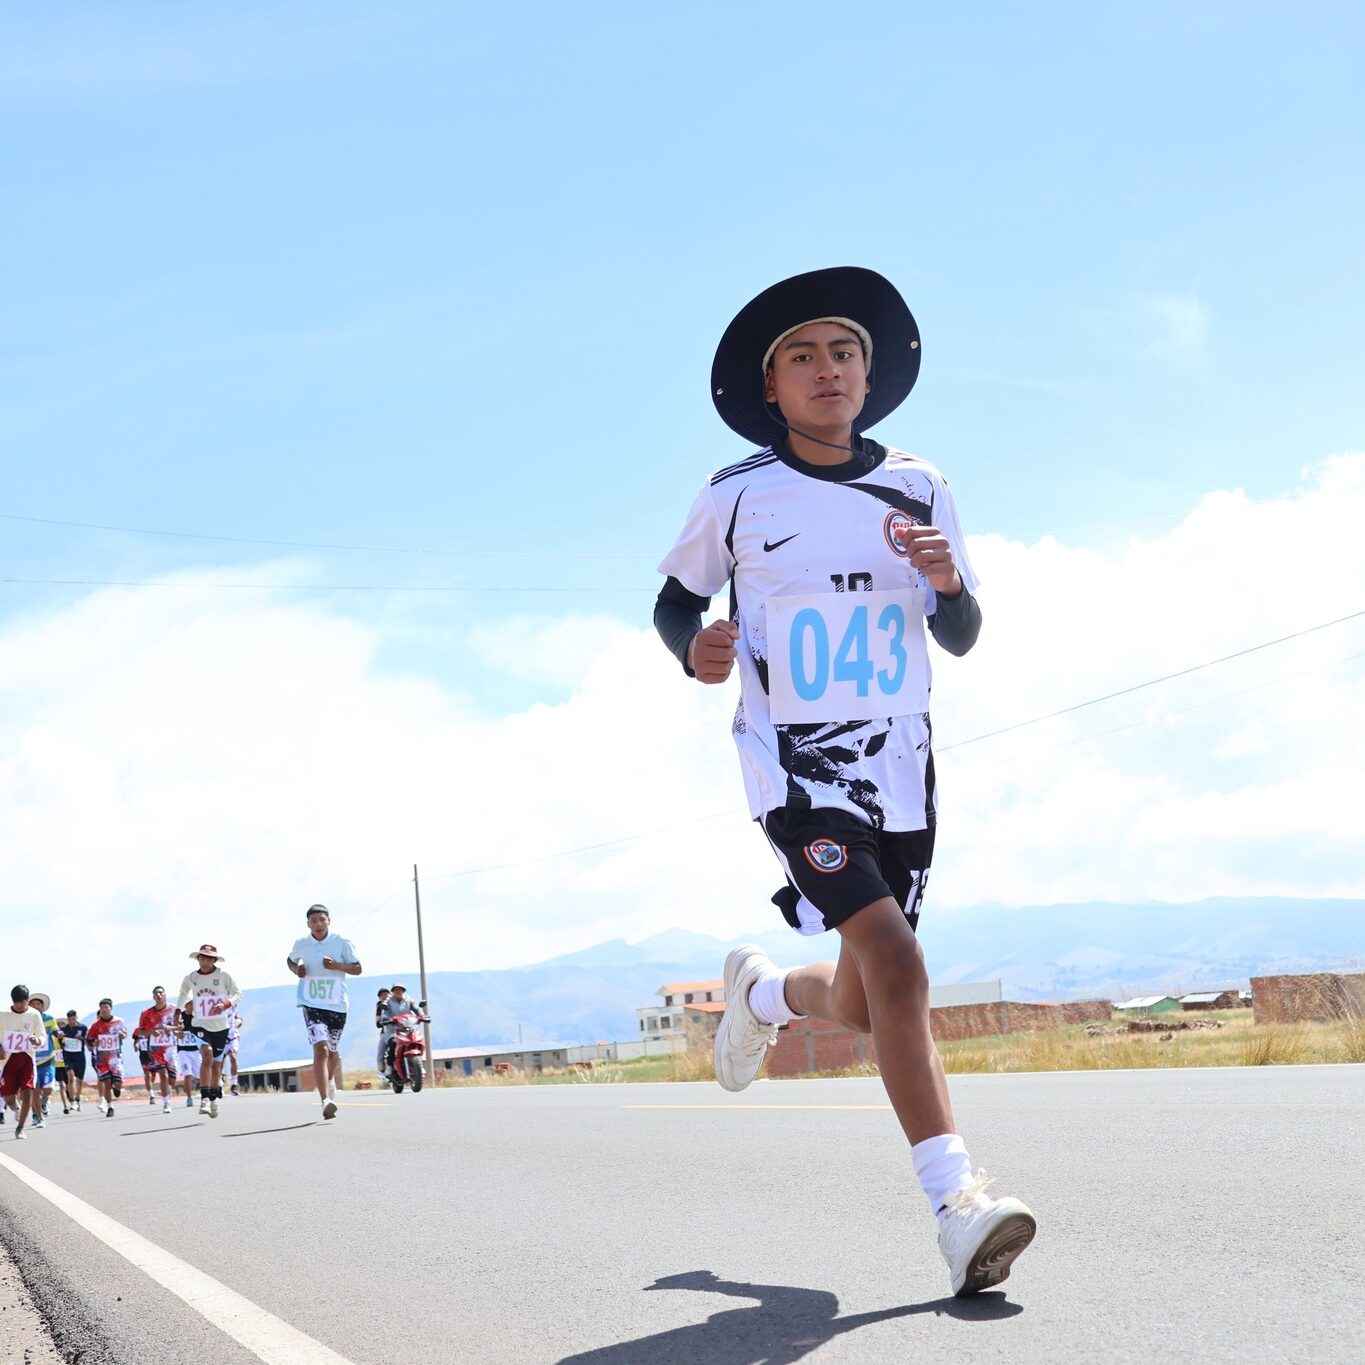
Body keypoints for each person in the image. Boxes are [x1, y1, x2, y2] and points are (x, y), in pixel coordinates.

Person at [654, 267, 1035, 1297]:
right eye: (803, 355)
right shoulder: (735, 493)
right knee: (900, 962)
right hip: (796, 770)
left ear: (870, 376)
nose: (827, 369)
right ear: (770, 385)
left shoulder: (920, 484)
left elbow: (961, 634)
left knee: (870, 1002)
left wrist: (945, 582)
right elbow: (675, 603)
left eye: (844, 353)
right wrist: (695, 647)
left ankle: (764, 994)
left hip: (901, 774)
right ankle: (957, 1205)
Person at [286, 904, 361, 1121]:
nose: (318, 924)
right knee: (321, 1049)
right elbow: (290, 960)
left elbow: (357, 968)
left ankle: (329, 1081)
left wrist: (337, 966)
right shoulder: (301, 944)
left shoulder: (342, 942)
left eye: (322, 919)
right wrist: (296, 970)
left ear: (329, 921)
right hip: (311, 1003)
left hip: (337, 1004)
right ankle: (325, 1100)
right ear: (308, 924)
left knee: (333, 1052)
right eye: (314, 921)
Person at [176, 945, 241, 1119]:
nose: (205, 961)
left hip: (220, 1026)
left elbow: (237, 994)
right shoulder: (191, 978)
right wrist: (178, 1011)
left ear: (214, 960)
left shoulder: (223, 976)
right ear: (198, 959)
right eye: (202, 958)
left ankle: (213, 1098)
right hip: (200, 1024)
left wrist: (225, 1004)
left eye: (208, 958)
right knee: (207, 1056)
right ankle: (204, 1098)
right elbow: (183, 994)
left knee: (216, 1065)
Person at [0, 986, 48, 1139]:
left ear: (27, 1000)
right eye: (16, 1002)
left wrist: (37, 1040)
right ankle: (15, 1107)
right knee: (8, 1097)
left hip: (27, 1059)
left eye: (22, 1002)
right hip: (8, 1061)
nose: (20, 1005)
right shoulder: (3, 1014)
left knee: (28, 1092)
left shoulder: (34, 1015)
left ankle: (20, 1128)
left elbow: (42, 1036)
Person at [135, 987, 179, 1114]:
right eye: (156, 993)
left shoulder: (174, 1009)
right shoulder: (146, 1013)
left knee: (172, 1079)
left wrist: (171, 1028)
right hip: (155, 1049)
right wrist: (150, 1032)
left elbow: (181, 1025)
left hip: (170, 1048)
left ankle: (166, 1091)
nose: (159, 995)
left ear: (165, 995)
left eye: (161, 992)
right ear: (153, 997)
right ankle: (166, 1103)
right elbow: (140, 1031)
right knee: (163, 1074)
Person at [86, 998, 128, 1118]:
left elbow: (125, 1034)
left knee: (118, 1083)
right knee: (107, 1083)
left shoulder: (119, 1021)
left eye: (106, 1007)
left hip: (115, 1057)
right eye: (101, 1008)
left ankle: (117, 1088)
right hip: (102, 1059)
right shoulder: (95, 1025)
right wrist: (94, 1043)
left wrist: (122, 1035)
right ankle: (110, 1107)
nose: (104, 1010)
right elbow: (89, 1041)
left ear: (111, 1008)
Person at [378, 983, 429, 1082]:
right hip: (393, 1030)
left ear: (403, 991)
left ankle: (420, 1065)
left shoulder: (408, 1000)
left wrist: (423, 1016)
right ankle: (389, 1066)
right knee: (393, 1043)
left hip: (409, 1028)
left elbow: (416, 1009)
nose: (398, 991)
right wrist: (386, 1019)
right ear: (393, 991)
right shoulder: (388, 1001)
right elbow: (385, 1013)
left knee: (418, 1041)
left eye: (400, 989)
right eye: (396, 989)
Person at [28, 993, 59, 1127]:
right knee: (35, 1090)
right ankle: (37, 1115)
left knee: (47, 1089)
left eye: (38, 1004)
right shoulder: (26, 1019)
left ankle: (45, 1102)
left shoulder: (49, 1019)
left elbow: (56, 1031)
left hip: (48, 1058)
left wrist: (59, 1034)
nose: (36, 1006)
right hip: (31, 1059)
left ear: (42, 1006)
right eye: (33, 1004)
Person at [59, 1010, 88, 1112]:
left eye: (73, 1019)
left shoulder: (83, 1028)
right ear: (67, 1019)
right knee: (71, 1078)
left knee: (79, 1080)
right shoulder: (63, 1029)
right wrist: (62, 1040)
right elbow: (60, 1043)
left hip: (79, 1056)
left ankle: (78, 1097)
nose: (72, 1021)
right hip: (68, 1055)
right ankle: (72, 1101)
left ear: (77, 1018)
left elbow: (88, 1040)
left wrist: (81, 1038)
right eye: (70, 1019)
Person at [174, 1013, 202, 1109]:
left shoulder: (197, 1013)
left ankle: (205, 1094)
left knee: (200, 1075)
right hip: (183, 1050)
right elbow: (172, 1027)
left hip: (196, 1050)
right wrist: (176, 1033)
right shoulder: (179, 1015)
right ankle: (189, 1098)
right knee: (187, 1074)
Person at [223, 1013, 243, 1096]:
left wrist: (239, 1022)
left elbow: (238, 1018)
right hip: (221, 1037)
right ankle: (219, 1083)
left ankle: (234, 1085)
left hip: (232, 1037)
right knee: (220, 1061)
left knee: (233, 1058)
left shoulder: (233, 1007)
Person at [374, 987, 391, 1082]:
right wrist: (381, 1022)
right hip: (386, 1032)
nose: (385, 996)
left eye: (386, 994)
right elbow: (377, 1022)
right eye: (382, 995)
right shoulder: (380, 1007)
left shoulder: (396, 1004)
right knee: (381, 1053)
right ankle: (382, 1071)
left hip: (400, 1030)